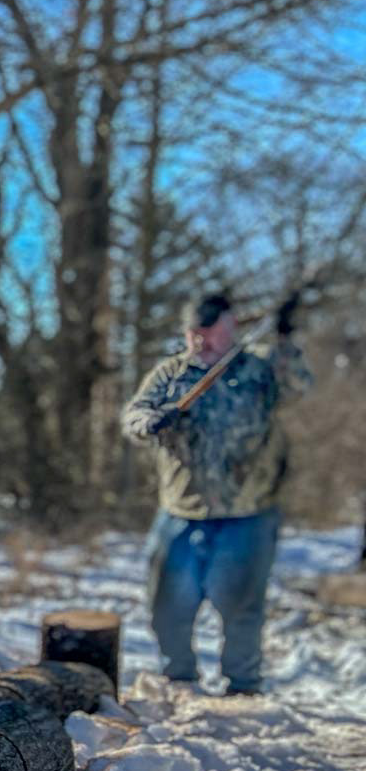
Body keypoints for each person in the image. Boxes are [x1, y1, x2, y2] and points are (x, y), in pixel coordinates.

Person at [121, 290, 312, 694]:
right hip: (180, 511)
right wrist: (151, 421)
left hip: (248, 514)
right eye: (194, 333)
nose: (202, 342)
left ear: (231, 328)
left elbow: (300, 385)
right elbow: (133, 415)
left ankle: (242, 687)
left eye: (211, 332)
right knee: (168, 607)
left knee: (242, 608)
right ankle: (179, 680)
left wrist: (284, 337)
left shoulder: (259, 370)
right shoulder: (171, 374)